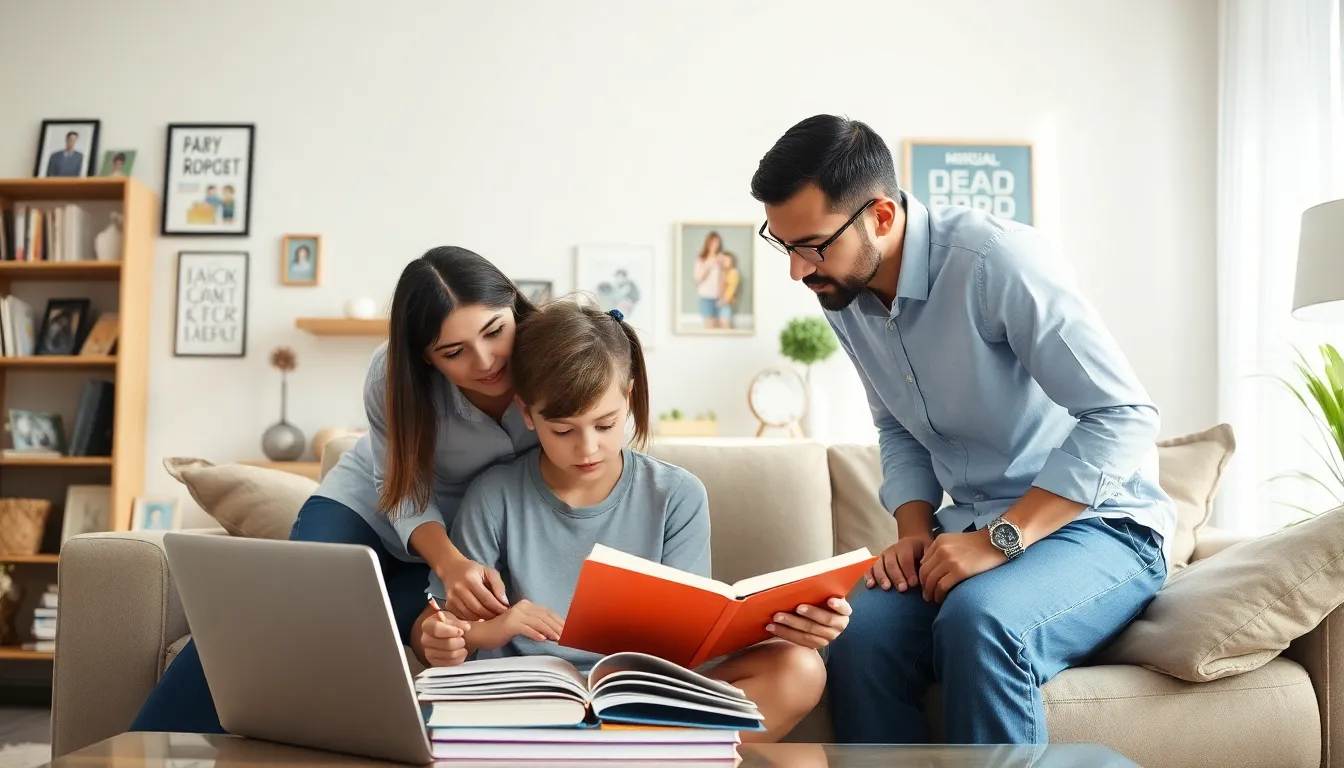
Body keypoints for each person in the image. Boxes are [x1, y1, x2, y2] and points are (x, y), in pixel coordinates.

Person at [749, 115, 1174, 745]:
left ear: (883, 217)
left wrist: (1001, 538)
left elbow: (1124, 416)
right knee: (858, 635)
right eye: (784, 246)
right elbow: (896, 425)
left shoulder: (997, 262)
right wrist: (914, 532)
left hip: (1102, 525)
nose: (797, 271)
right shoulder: (842, 286)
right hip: (973, 526)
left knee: (980, 622)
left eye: (811, 245)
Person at [130, 246, 543, 733]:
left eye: (495, 330)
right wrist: (449, 562)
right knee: (275, 605)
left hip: (465, 540)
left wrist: (463, 562)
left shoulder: (554, 359)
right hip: (365, 511)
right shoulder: (391, 374)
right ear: (425, 358)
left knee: (373, 627)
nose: (486, 361)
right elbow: (401, 488)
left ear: (513, 305)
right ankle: (142, 747)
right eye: (453, 352)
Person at [413, 300, 849, 743]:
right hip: (532, 698)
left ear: (629, 396)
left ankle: (618, 749)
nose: (587, 449)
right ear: (527, 414)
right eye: (563, 431)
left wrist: (784, 621)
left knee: (801, 668)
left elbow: (686, 639)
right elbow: (448, 631)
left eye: (605, 425)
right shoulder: (494, 494)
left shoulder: (676, 495)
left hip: (642, 693)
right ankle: (641, 753)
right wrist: (478, 632)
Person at [693, 231, 724, 327]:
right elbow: (698, 279)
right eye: (712, 242)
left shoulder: (721, 258)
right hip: (706, 298)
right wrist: (709, 265)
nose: (715, 245)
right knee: (710, 327)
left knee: (720, 327)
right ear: (708, 243)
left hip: (719, 298)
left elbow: (723, 278)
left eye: (717, 242)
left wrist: (723, 295)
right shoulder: (700, 260)